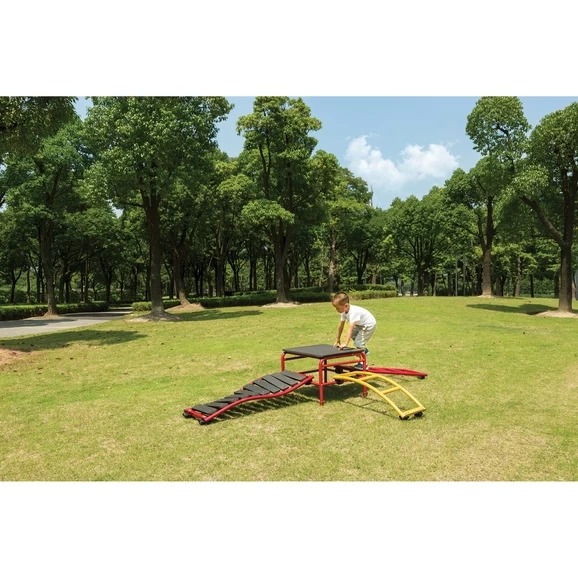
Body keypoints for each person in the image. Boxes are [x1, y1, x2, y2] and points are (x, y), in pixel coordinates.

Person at [332, 291, 376, 368]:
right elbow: (341, 325)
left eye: (337, 308)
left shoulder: (353, 312)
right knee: (356, 339)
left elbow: (350, 328)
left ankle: (363, 364)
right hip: (360, 325)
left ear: (345, 305)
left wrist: (345, 343)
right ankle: (364, 350)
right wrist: (337, 338)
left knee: (358, 343)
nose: (336, 310)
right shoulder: (344, 311)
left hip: (368, 324)